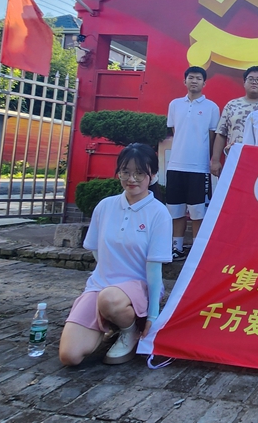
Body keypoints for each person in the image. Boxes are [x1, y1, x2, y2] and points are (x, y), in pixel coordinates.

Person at [58, 144, 172, 366]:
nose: (132, 179)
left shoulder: (159, 214)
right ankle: (112, 320)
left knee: (110, 298)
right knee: (69, 356)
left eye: (140, 173)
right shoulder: (105, 206)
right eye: (125, 172)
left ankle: (130, 330)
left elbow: (154, 269)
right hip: (100, 287)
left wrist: (152, 316)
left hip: (137, 288)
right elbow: (96, 250)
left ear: (153, 176)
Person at [166, 66, 220, 261]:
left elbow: (212, 136)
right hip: (175, 166)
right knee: (175, 210)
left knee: (198, 212)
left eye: (198, 78)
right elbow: (175, 131)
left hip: (199, 168)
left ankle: (197, 251)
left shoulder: (212, 108)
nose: (194, 81)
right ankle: (177, 248)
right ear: (185, 81)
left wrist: (208, 159)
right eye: (191, 77)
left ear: (204, 83)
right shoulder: (175, 105)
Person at [210, 66, 258, 178]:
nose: (254, 82)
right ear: (244, 83)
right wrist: (215, 161)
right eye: (250, 79)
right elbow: (221, 134)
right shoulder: (232, 105)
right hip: (234, 160)